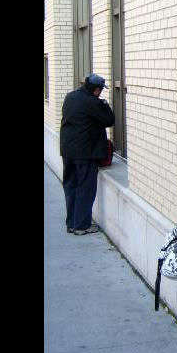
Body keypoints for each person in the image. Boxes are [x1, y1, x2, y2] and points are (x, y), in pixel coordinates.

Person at [60, 73, 115, 235]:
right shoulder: (93, 103)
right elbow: (109, 120)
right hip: (86, 153)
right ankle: (81, 226)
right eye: (101, 90)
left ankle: (71, 223)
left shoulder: (70, 97)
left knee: (71, 186)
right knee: (85, 188)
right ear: (96, 89)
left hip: (67, 150)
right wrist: (105, 104)